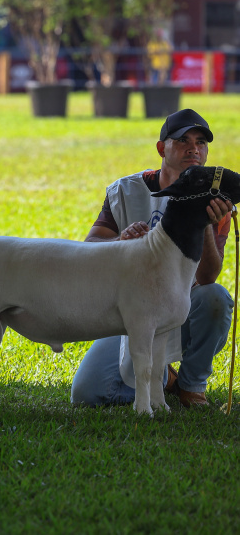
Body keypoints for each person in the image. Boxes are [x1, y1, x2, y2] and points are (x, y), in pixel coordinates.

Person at [71, 109, 233, 408]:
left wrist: (207, 223)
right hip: (129, 309)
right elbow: (90, 247)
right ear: (162, 148)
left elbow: (208, 277)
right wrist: (121, 241)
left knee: (216, 299)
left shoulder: (215, 198)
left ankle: (191, 384)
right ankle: (163, 380)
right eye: (182, 140)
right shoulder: (127, 190)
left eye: (201, 142)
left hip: (180, 305)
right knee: (88, 395)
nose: (193, 148)